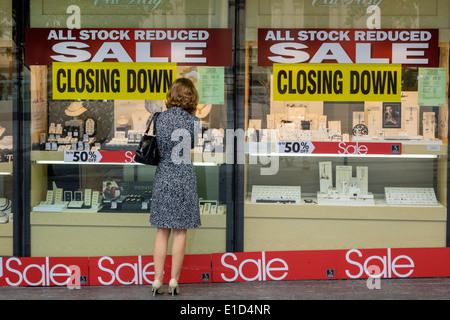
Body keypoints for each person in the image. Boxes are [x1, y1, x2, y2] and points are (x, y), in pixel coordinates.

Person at [149, 78, 201, 296]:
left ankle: (157, 278)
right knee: (180, 232)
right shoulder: (194, 122)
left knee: (162, 231)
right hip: (184, 177)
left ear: (172, 95)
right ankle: (173, 280)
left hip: (164, 176)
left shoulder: (158, 119)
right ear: (191, 98)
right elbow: (193, 146)